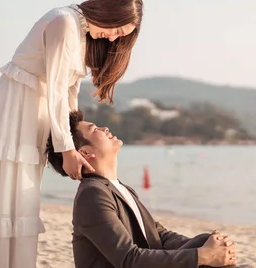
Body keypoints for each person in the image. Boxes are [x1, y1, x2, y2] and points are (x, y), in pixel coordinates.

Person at [0, 0, 144, 268]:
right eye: (118, 29)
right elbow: (56, 89)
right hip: (15, 113)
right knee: (7, 202)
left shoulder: (79, 35)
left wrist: (72, 142)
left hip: (34, 118)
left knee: (20, 204)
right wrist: (67, 149)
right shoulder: (64, 22)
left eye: (122, 36)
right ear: (109, 10)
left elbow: (69, 96)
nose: (115, 37)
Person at [45, 110, 239, 268]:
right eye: (95, 129)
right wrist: (201, 256)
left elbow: (159, 235)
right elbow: (129, 259)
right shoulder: (92, 195)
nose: (105, 128)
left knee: (206, 241)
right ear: (85, 153)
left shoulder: (120, 188)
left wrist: (210, 246)